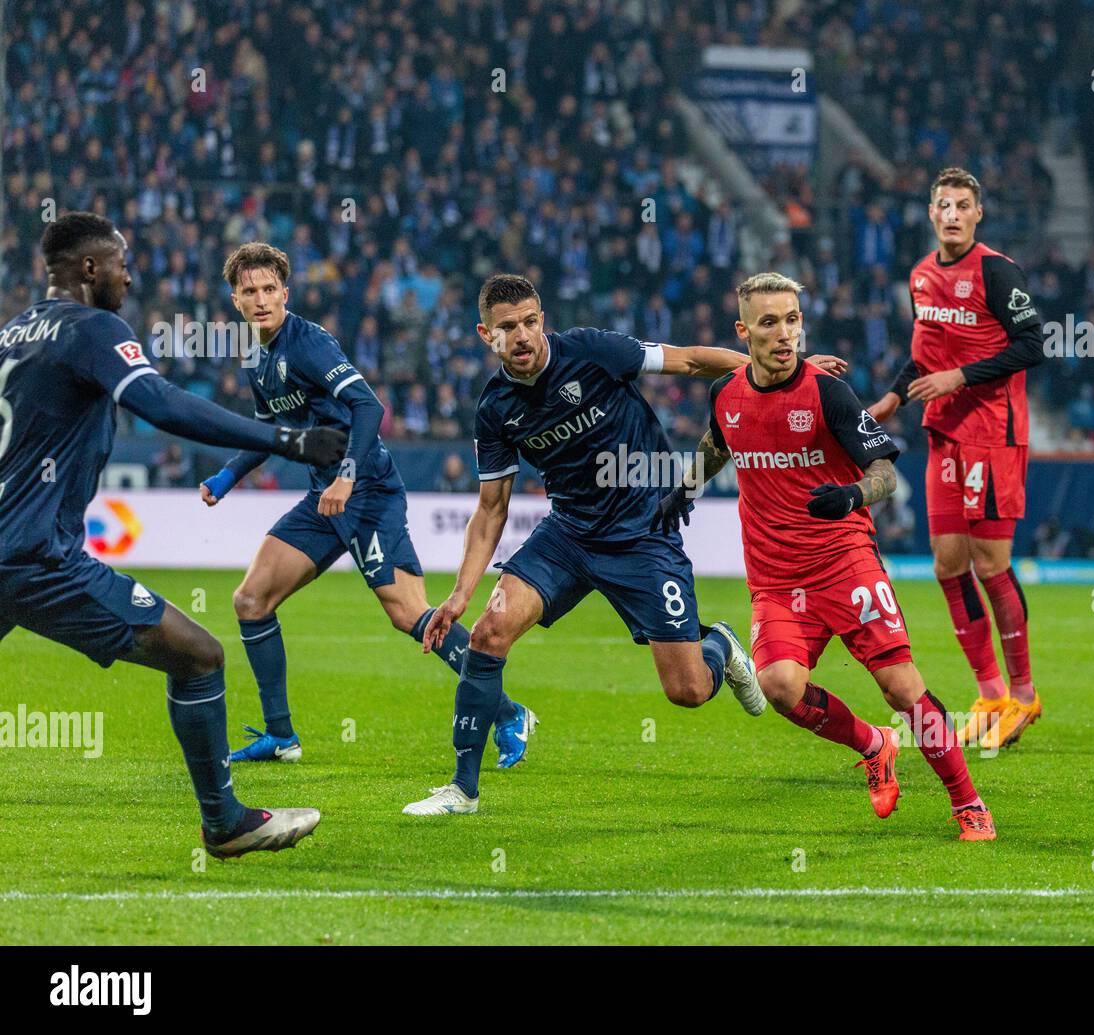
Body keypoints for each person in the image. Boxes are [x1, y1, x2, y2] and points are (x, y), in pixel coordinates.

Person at [407, 273, 848, 816]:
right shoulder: (495, 407)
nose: (520, 336)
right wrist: (458, 596)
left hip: (643, 532)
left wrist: (786, 372)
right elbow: (492, 507)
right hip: (568, 533)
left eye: (529, 323)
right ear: (484, 335)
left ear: (542, 320)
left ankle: (721, 646)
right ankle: (462, 791)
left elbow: (687, 361)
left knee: (686, 690)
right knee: (488, 634)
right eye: (506, 329)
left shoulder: (592, 351)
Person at [0, 212, 347, 857]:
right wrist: (288, 439)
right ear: (88, 268)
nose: (130, 276)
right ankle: (226, 823)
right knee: (198, 656)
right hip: (35, 554)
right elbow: (162, 405)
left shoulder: (13, 334)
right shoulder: (94, 327)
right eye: (122, 262)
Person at [657, 272, 996, 840]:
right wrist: (684, 490)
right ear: (744, 331)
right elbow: (718, 444)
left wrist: (852, 494)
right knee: (779, 686)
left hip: (845, 563)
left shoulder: (827, 392)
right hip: (775, 579)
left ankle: (968, 803)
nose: (785, 333)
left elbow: (886, 473)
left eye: (793, 319)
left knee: (901, 687)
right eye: (770, 322)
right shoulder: (726, 394)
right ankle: (874, 744)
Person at [198, 244, 534, 767]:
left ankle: (509, 713)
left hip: (366, 490)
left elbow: (368, 405)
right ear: (235, 299)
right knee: (250, 600)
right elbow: (270, 427)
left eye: (269, 290)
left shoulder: (308, 344)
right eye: (250, 291)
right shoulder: (255, 355)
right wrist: (226, 475)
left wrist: (348, 477)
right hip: (324, 497)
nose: (261, 299)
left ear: (285, 294)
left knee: (410, 615)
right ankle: (280, 735)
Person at [868, 167, 1047, 751]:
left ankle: (1024, 694)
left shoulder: (997, 271)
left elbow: (1032, 345)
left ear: (977, 214)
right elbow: (923, 356)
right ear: (929, 212)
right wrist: (893, 397)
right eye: (942, 204)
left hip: (995, 434)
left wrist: (960, 376)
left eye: (962, 205)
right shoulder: (921, 276)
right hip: (943, 433)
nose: (951, 214)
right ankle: (989, 691)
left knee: (991, 564)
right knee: (948, 564)